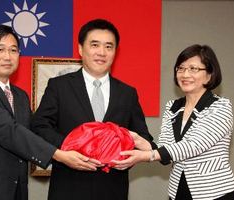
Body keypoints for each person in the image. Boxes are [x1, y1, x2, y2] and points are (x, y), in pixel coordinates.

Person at [0, 25, 99, 200]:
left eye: (13, 50)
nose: (7, 56)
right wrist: (59, 155)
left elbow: (35, 130)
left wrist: (83, 144)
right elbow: (9, 131)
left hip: (15, 191)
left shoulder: (20, 96)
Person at [31, 19, 155, 200]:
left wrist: (134, 155)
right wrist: (67, 150)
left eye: (109, 46)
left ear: (115, 52)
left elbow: (143, 137)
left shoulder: (127, 93)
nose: (102, 52)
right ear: (81, 49)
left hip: (113, 188)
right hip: (68, 187)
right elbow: (40, 126)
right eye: (95, 45)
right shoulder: (59, 86)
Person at [113, 44, 234, 200]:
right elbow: (167, 149)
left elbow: (194, 145)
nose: (185, 74)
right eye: (180, 68)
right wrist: (136, 139)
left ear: (209, 75)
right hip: (178, 190)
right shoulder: (172, 107)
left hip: (214, 192)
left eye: (193, 69)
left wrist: (146, 156)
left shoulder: (220, 106)